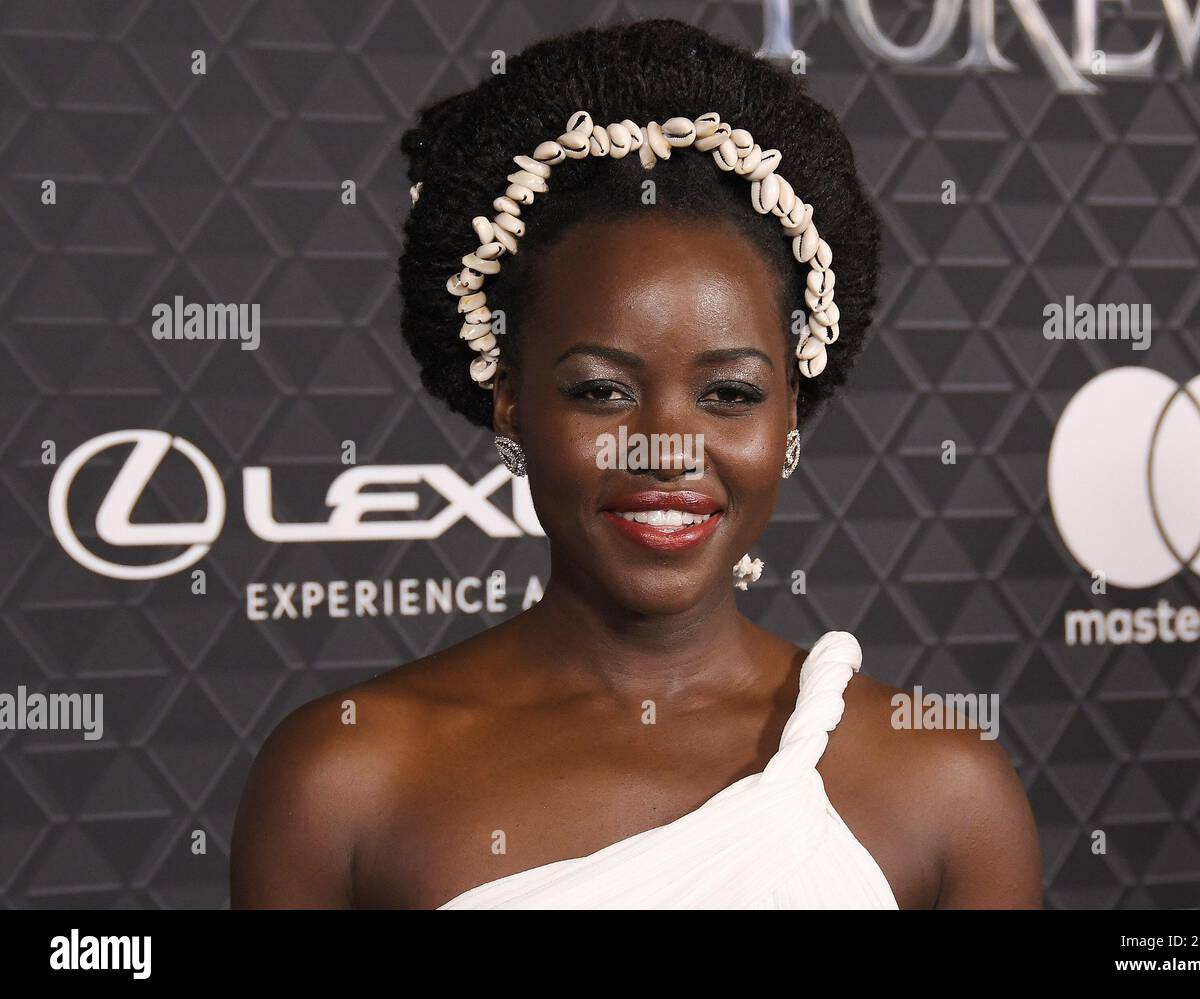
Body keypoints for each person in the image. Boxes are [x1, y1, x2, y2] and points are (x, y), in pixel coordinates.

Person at [230, 18, 1041, 909]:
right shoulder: (341, 781)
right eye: (601, 391)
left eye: (729, 394)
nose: (667, 447)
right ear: (510, 400)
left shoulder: (945, 787)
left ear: (790, 415)